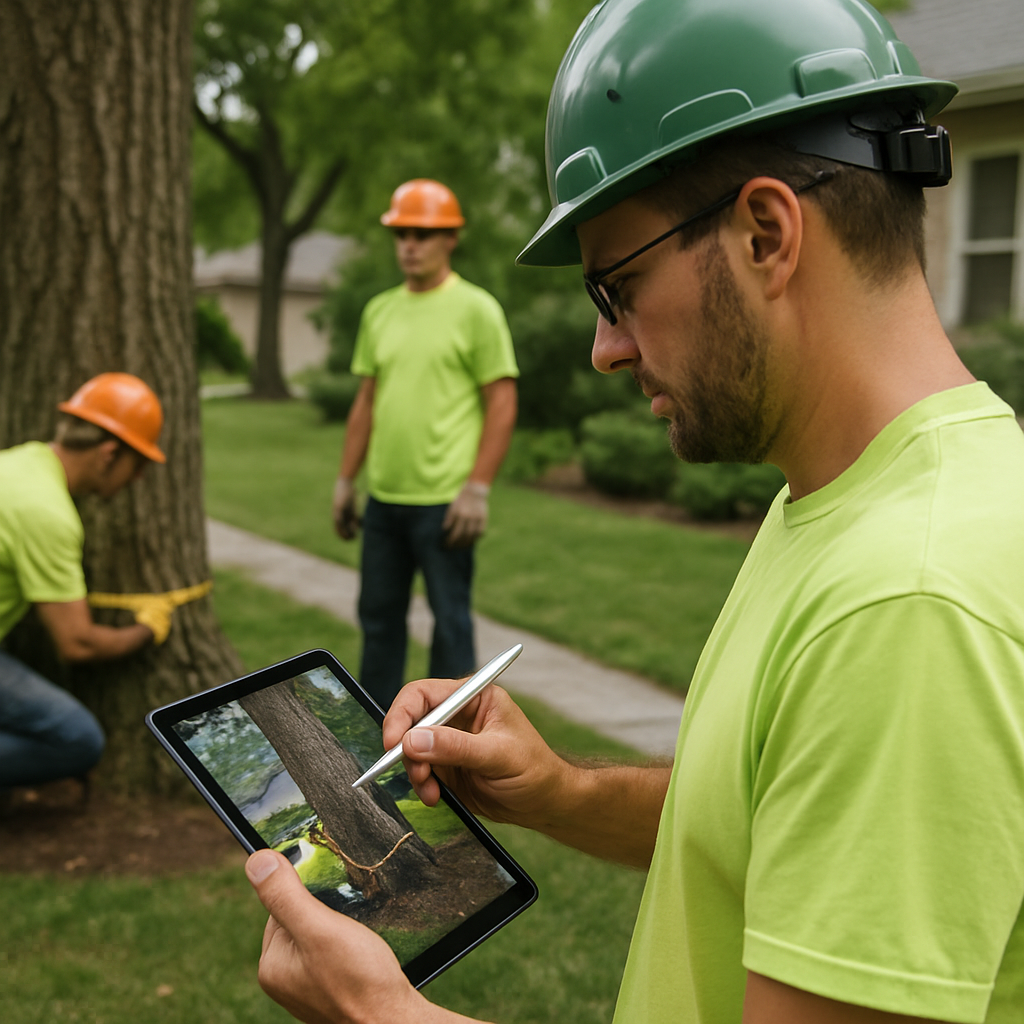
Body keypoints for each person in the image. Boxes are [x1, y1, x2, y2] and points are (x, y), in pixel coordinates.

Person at [245, 1, 1024, 1022]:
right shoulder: (857, 504)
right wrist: (557, 791)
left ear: (764, 233)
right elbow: (775, 823)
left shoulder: (905, 601)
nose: (606, 350)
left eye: (616, 287)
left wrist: (386, 1015)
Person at [332, 179, 519, 708]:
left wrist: (478, 488)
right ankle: (377, 742)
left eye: (422, 233)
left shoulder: (476, 309)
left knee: (451, 627)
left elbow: (502, 402)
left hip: (445, 502)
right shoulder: (380, 311)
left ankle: (452, 748)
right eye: (401, 234)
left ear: (450, 238)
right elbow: (366, 401)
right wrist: (346, 481)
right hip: (384, 502)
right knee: (378, 624)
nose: (410, 244)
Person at [0, 373, 166, 790]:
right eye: (139, 462)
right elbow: (78, 643)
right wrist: (148, 630)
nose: (140, 478)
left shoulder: (21, 461)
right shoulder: (47, 513)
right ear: (109, 454)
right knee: (79, 740)